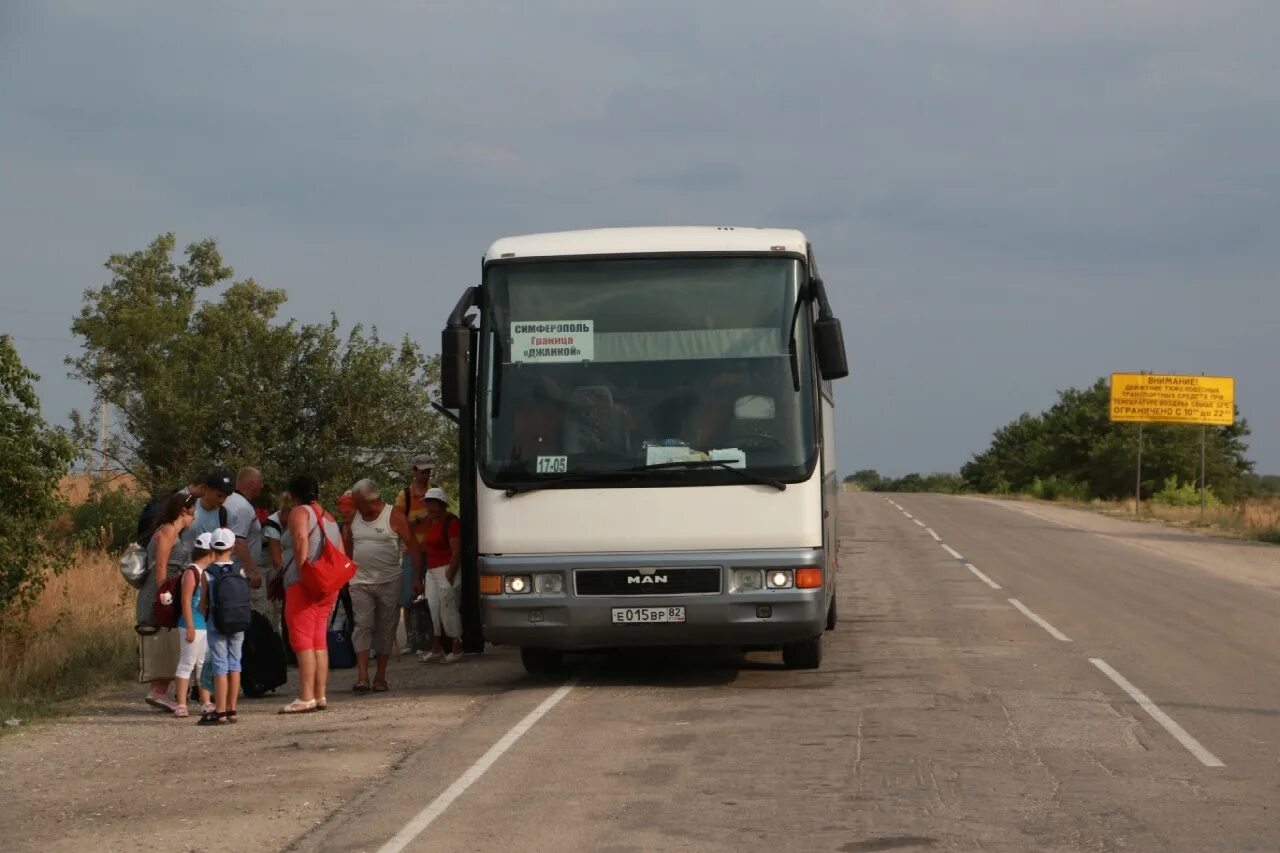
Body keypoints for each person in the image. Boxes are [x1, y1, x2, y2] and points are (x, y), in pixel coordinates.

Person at [280, 473, 344, 715]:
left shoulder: (300, 512)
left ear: (294, 494)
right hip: (327, 585)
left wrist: (302, 567)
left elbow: (299, 538)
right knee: (318, 641)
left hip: (304, 583)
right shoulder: (329, 517)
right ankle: (320, 694)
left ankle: (306, 696)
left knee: (302, 640)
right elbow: (341, 550)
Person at [344, 479, 415, 692]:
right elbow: (347, 547)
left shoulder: (394, 517)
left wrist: (416, 578)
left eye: (357, 502)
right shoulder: (353, 518)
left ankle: (380, 676)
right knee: (363, 625)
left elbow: (413, 546)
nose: (354, 507)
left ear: (371, 500)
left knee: (386, 629)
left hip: (389, 581)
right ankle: (362, 676)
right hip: (360, 583)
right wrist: (349, 574)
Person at [136, 491, 197, 711]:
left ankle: (163, 690)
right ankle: (159, 691)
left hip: (164, 591)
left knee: (167, 640)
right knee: (167, 642)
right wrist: (165, 594)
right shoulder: (169, 530)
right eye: (192, 513)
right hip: (159, 593)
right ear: (183, 511)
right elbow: (161, 565)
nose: (194, 517)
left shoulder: (172, 532)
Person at [199, 527, 246, 726]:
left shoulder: (207, 573)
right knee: (235, 663)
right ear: (232, 547)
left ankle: (220, 711)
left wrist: (206, 614)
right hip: (238, 621)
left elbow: (202, 605)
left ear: (211, 547)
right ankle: (232, 709)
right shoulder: (239, 570)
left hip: (216, 622)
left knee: (220, 664)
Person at [173, 532, 216, 719]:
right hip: (192, 624)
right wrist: (190, 626)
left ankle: (205, 701)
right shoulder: (192, 572)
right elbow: (185, 601)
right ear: (209, 552)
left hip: (203, 625)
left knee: (202, 664)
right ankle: (181, 703)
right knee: (187, 663)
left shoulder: (204, 573)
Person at [393, 454, 434, 655]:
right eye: (422, 470)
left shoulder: (435, 492)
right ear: (414, 471)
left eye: (428, 471)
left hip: (433, 550)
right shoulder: (405, 496)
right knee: (409, 597)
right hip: (412, 551)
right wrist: (419, 520)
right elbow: (398, 524)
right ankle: (411, 639)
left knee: (432, 595)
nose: (425, 474)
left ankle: (430, 636)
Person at [418, 488, 464, 664]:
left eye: (431, 502)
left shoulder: (450, 522)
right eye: (427, 502)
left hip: (445, 568)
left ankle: (456, 645)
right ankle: (437, 647)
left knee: (448, 607)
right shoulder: (431, 521)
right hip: (432, 570)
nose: (428, 505)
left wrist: (451, 572)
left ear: (440, 504)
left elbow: (456, 551)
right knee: (434, 608)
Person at [220, 468, 265, 595]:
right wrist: (251, 572)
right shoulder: (242, 507)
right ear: (252, 483)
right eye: (260, 482)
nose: (262, 486)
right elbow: (238, 542)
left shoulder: (233, 501)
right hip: (235, 576)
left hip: (230, 574)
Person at [262, 490, 296, 635]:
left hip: (281, 567)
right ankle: (273, 638)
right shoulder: (272, 523)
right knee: (269, 608)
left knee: (280, 608)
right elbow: (277, 560)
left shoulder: (292, 523)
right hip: (263, 566)